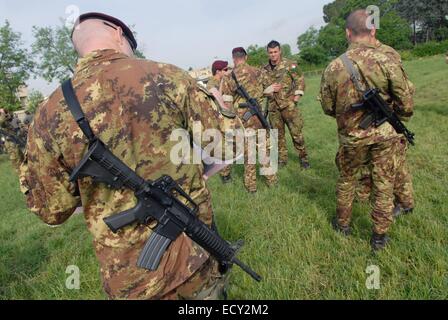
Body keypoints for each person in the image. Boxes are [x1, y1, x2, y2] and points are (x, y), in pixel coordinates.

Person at [20, 12, 237, 300]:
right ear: (119, 33)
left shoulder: (48, 112)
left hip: (129, 278)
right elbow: (225, 147)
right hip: (194, 260)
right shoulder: (168, 76)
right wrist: (223, 109)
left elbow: (51, 210)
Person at [319, 9, 415, 250]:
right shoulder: (386, 60)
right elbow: (406, 105)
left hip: (351, 138)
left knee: (347, 180)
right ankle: (379, 237)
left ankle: (342, 225)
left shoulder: (332, 67)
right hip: (385, 136)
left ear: (348, 33)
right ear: (372, 30)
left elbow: (328, 108)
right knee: (384, 185)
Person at [222, 47, 278, 193]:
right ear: (246, 57)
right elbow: (270, 92)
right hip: (259, 118)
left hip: (243, 122)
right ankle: (271, 181)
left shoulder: (229, 77)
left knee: (249, 155)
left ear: (234, 58)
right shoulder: (259, 72)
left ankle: (251, 187)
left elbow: (227, 103)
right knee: (265, 152)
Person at [262, 40, 310, 169]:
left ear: (280, 51)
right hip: (273, 108)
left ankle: (303, 158)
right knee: (278, 137)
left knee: (297, 134)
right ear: (268, 53)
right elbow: (261, 88)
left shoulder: (290, 65)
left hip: (289, 107)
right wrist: (268, 90)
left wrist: (295, 99)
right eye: (271, 52)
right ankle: (282, 160)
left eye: (275, 52)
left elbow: (300, 80)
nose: (273, 54)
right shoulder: (264, 70)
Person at [0, 108, 24, 174]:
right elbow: (2, 121)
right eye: (4, 113)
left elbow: (10, 117)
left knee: (19, 153)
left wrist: (6, 113)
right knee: (14, 155)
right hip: (9, 141)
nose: (6, 114)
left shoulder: (6, 120)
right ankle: (18, 170)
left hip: (13, 139)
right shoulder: (1, 121)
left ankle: (23, 167)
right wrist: (2, 113)